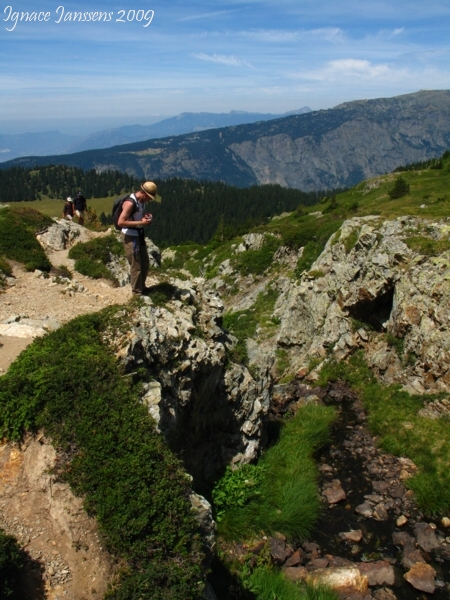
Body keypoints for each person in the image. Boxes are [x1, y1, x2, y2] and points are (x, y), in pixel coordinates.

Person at [117, 181, 158, 296]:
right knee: (136, 265)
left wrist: (145, 216)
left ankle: (142, 287)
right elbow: (121, 222)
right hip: (130, 236)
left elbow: (138, 213)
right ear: (144, 194)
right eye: (149, 197)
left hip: (139, 234)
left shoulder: (141, 202)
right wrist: (141, 222)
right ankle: (137, 292)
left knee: (145, 262)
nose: (150, 200)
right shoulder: (130, 203)